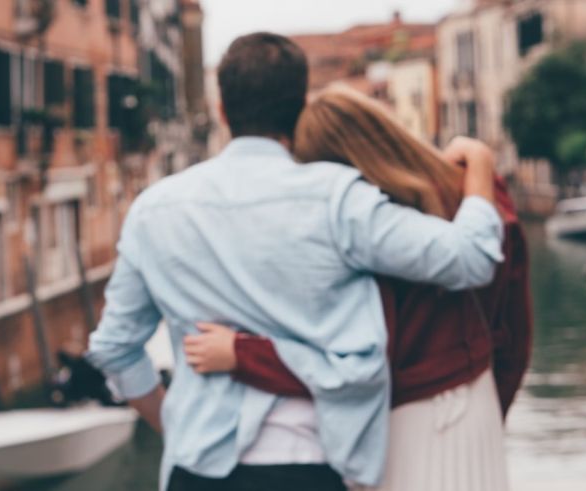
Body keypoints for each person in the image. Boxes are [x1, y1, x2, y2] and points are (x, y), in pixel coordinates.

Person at [86, 33, 505, 491]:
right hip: (310, 465)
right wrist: (480, 167)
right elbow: (471, 258)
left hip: (197, 470)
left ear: (223, 110)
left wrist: (175, 426)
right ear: (300, 105)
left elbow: (114, 349)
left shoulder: (153, 210)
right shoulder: (337, 199)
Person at [184, 87, 533, 491]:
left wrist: (241, 355)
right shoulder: (480, 200)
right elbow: (514, 338)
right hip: (476, 408)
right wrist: (491, 411)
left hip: (403, 425)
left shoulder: (360, 238)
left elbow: (355, 367)